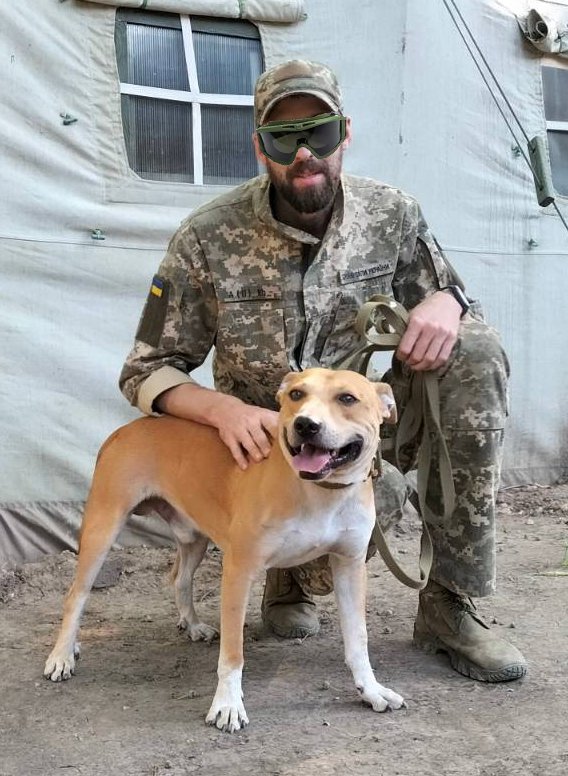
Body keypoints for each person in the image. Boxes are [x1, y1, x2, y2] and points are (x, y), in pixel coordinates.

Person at [120, 60, 527, 683]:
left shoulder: (393, 215)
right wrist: (222, 409)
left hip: (360, 428)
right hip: (264, 449)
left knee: (473, 351)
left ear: (345, 134)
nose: (305, 153)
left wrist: (448, 300)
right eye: (284, 139)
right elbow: (145, 369)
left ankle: (449, 601)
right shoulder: (205, 238)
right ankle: (286, 576)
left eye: (321, 133)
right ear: (260, 147)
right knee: (351, 495)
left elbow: (445, 292)